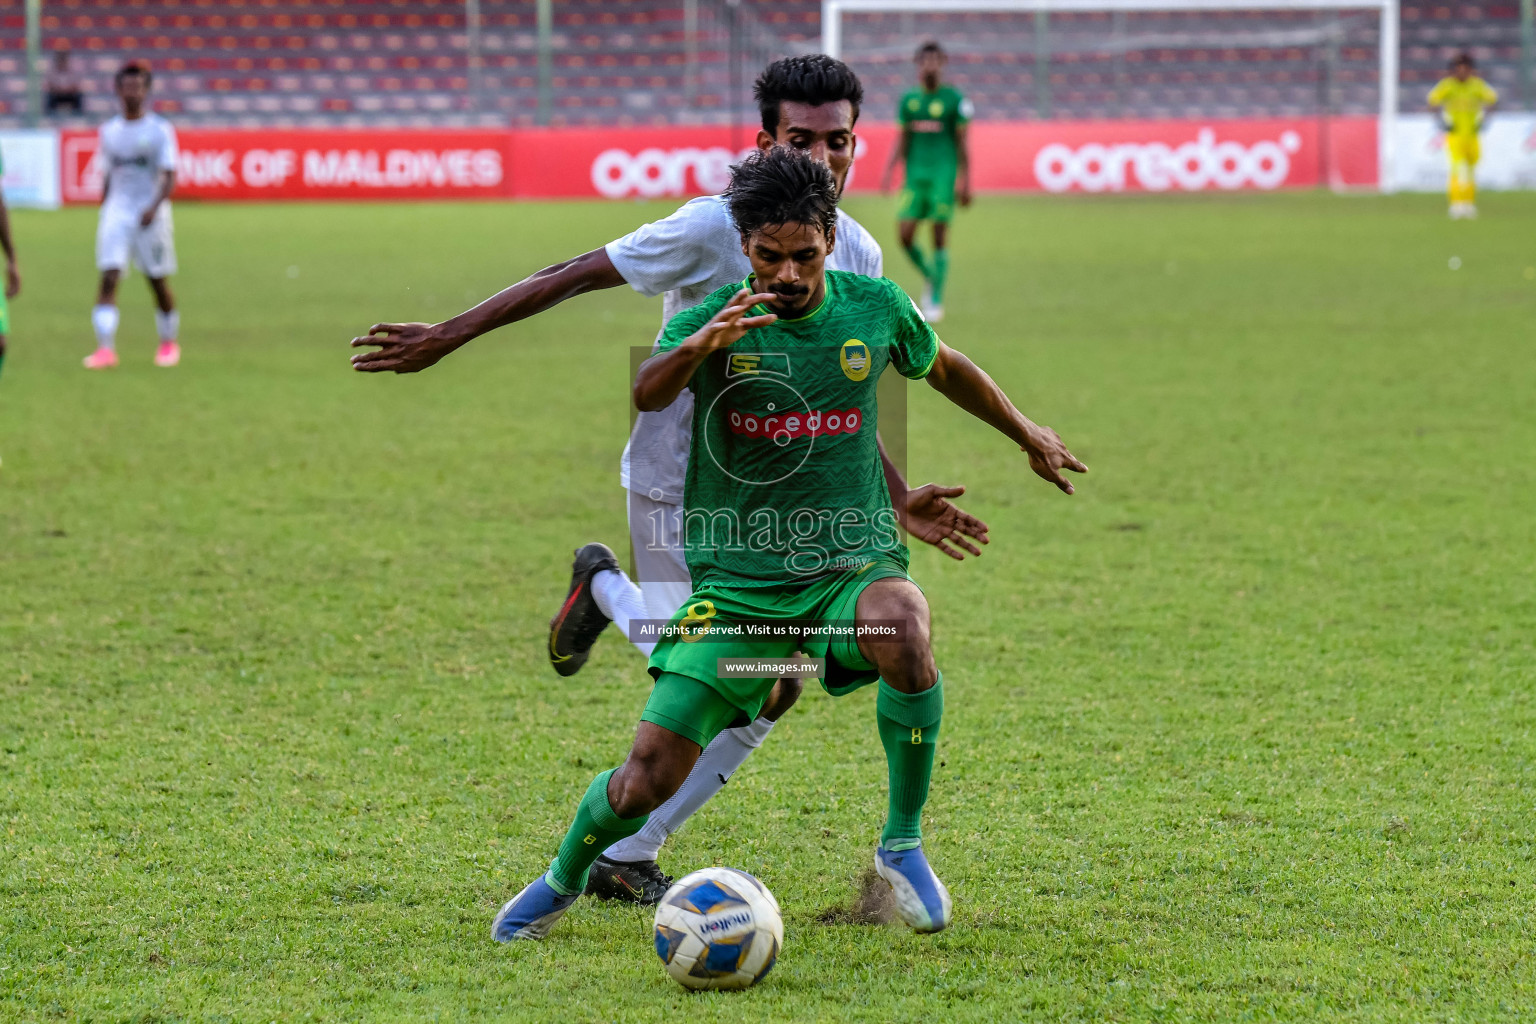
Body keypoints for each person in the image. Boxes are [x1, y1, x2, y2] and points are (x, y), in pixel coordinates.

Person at [351, 55, 989, 905]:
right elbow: (572, 273)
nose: (822, 157)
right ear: (765, 141)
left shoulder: (854, 249)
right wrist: (450, 335)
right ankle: (607, 599)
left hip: (784, 502)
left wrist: (895, 493)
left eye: (837, 141)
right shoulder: (705, 228)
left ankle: (629, 836)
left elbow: (840, 389)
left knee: (770, 680)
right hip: (678, 485)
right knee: (728, 673)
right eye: (802, 139)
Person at [490, 146, 1085, 943]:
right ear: (745, 248)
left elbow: (944, 367)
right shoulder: (716, 320)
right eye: (770, 257)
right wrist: (703, 344)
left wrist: (1025, 431)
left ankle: (902, 844)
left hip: (848, 566)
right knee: (645, 779)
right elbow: (648, 389)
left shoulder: (874, 306)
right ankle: (562, 879)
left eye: (805, 255)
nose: (789, 274)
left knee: (901, 622)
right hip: (739, 588)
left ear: (830, 241)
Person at [84, 61, 182, 370]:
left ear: (147, 91)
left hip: (151, 212)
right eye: (127, 87)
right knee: (109, 277)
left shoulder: (159, 131)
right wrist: (105, 209)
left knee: (156, 280)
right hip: (117, 212)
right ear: (117, 90)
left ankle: (168, 343)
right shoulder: (109, 131)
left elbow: (168, 175)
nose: (132, 92)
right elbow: (108, 174)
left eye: (138, 87)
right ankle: (105, 349)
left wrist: (154, 207)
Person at [882, 41, 972, 323]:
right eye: (925, 59)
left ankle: (935, 296)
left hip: (943, 176)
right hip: (915, 177)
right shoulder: (909, 100)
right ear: (918, 63)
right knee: (905, 235)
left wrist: (965, 180)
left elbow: (961, 143)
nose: (930, 64)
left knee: (938, 233)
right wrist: (889, 170)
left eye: (935, 59)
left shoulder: (953, 99)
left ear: (943, 62)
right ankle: (933, 276)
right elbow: (903, 138)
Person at [1428, 52, 1498, 220]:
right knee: (1458, 169)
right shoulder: (1448, 86)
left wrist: (1485, 121)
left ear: (1471, 70)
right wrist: (1441, 122)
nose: (1462, 72)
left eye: (1465, 69)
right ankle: (1456, 204)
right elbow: (1433, 102)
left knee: (1471, 169)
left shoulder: (1477, 85)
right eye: (1459, 69)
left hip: (1473, 135)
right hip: (1455, 135)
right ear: (1453, 70)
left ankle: (1468, 203)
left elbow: (1492, 101)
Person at [45, 50, 84, 117]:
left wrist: (66, 90)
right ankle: (50, 115)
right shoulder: (52, 73)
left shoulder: (72, 72)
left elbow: (76, 86)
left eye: (63, 61)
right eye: (60, 61)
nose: (62, 63)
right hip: (57, 95)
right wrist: (60, 90)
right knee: (49, 97)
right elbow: (49, 85)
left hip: (70, 95)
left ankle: (78, 116)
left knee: (78, 96)